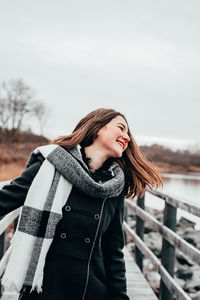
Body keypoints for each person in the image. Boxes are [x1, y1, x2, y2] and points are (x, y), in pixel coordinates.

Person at [0, 108, 162, 300]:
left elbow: (114, 250)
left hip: (91, 290)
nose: (127, 137)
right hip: (45, 288)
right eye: (121, 128)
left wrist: (120, 296)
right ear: (98, 127)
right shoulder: (50, 166)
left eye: (129, 134)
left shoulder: (114, 187)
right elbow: (6, 199)